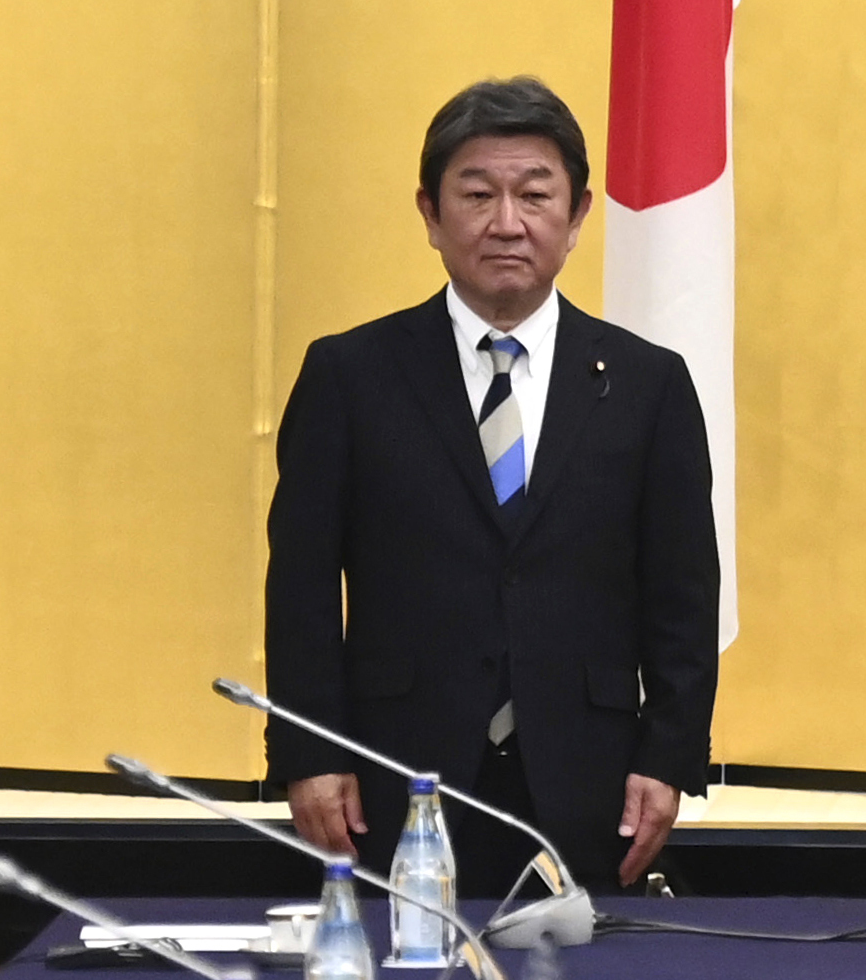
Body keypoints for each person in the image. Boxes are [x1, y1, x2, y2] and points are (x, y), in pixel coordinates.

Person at [264, 74, 720, 899]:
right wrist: (309, 753)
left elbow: (683, 594)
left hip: (591, 777)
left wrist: (669, 757)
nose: (506, 223)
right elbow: (298, 587)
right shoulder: (350, 375)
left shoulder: (649, 385)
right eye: (476, 194)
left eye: (534, 195)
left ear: (578, 215)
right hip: (390, 777)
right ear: (430, 214)